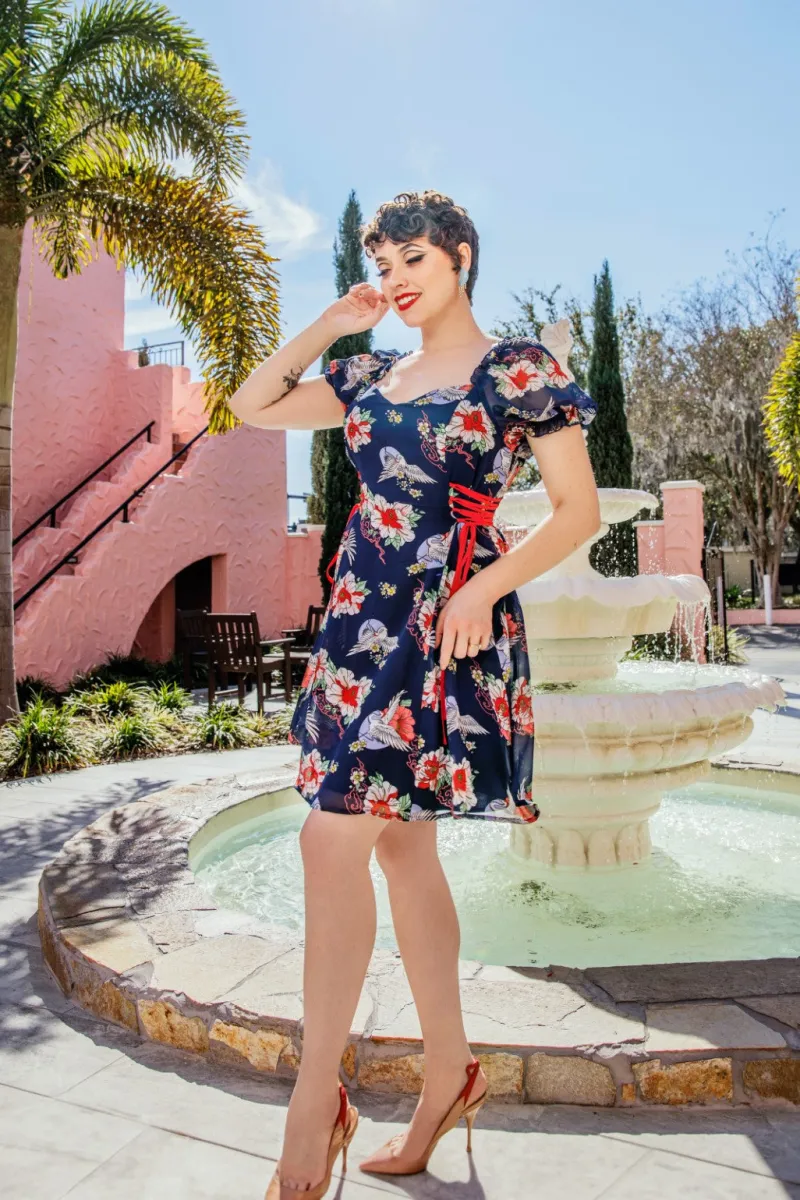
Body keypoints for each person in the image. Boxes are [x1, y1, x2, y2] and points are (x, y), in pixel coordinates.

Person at [228, 190, 601, 1200]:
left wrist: (483, 587)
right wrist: (329, 323)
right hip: (361, 619)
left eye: (414, 262)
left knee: (330, 840)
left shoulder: (514, 369)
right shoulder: (368, 375)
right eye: (383, 265)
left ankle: (314, 1103)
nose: (395, 281)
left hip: (446, 622)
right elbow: (252, 404)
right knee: (397, 848)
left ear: (461, 257)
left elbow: (578, 511)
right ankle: (448, 1073)